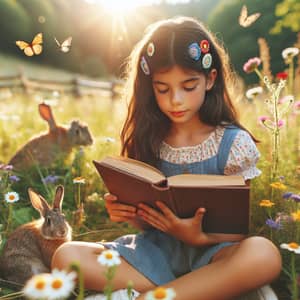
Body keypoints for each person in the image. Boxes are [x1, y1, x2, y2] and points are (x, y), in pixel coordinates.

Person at [52, 16, 282, 300]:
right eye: (163, 89)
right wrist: (128, 214)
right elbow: (146, 219)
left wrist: (197, 238)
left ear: (210, 80)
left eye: (188, 87)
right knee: (67, 256)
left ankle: (150, 297)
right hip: (153, 257)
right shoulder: (148, 139)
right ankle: (197, 291)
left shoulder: (233, 144)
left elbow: (236, 231)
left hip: (213, 255)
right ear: (151, 88)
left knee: (264, 254)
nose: (176, 100)